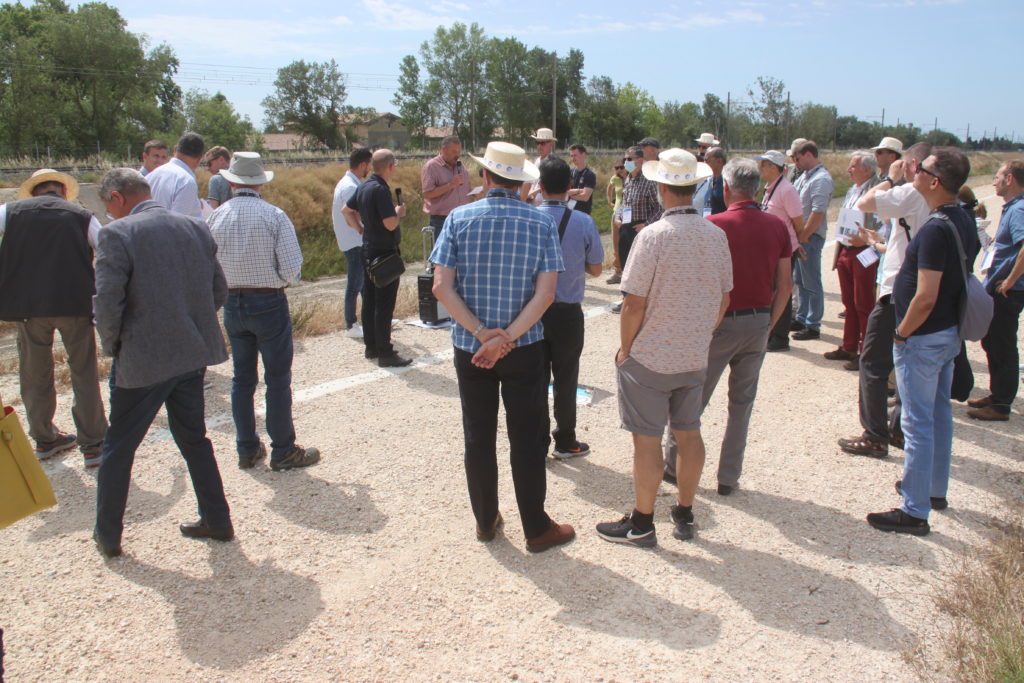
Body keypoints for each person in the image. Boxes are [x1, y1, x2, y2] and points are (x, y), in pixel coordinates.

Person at [430, 141, 574, 553]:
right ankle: (536, 527)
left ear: (485, 176)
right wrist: (506, 337)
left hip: (469, 348)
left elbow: (442, 287)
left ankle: (485, 518)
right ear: (521, 182)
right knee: (527, 437)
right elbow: (546, 295)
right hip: (524, 347)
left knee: (478, 435)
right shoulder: (540, 223)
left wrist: (482, 335)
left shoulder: (458, 218)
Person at [92, 168, 232, 557]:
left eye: (109, 206)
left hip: (142, 359)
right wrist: (190, 321)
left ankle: (108, 535)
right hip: (191, 353)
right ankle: (217, 518)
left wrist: (113, 346)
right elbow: (218, 289)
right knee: (194, 438)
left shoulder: (117, 235)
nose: (109, 214)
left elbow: (106, 304)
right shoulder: (195, 227)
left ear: (118, 197)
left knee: (119, 447)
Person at [595, 148, 731, 547]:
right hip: (693, 354)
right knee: (689, 433)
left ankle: (642, 521)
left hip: (651, 357)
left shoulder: (652, 236)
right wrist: (701, 333)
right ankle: (685, 511)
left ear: (661, 188)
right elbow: (723, 298)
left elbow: (634, 302)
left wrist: (625, 349)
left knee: (647, 440)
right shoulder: (716, 234)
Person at [661, 159, 791, 495]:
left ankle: (674, 467)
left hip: (719, 324)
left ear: (727, 188)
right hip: (759, 320)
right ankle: (728, 477)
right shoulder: (777, 226)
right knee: (741, 405)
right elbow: (786, 284)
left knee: (692, 400)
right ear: (757, 189)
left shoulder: (714, 225)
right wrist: (769, 324)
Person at [867, 148, 979, 535]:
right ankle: (932, 490)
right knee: (938, 415)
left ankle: (914, 510)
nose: (914, 170)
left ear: (934, 181)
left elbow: (926, 294)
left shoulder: (933, 229)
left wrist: (902, 332)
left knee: (916, 423)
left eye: (922, 168)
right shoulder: (960, 219)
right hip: (948, 334)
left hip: (925, 337)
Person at [208, 152, 320, 472]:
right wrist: (277, 280)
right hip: (267, 301)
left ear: (231, 181)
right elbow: (292, 269)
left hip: (232, 301)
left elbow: (208, 264)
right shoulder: (274, 215)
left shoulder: (216, 217)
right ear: (260, 182)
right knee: (277, 378)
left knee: (242, 379)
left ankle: (246, 446)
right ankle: (283, 448)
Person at [0, 169, 107, 465]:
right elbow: (108, 250)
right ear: (61, 189)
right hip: (75, 303)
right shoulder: (82, 215)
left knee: (34, 372)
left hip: (27, 308)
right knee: (83, 371)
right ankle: (93, 443)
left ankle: (45, 438)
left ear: (34, 191)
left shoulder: (9, 212)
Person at [837, 143, 932, 458]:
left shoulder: (908, 193)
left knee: (874, 362)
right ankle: (898, 429)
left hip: (897, 290)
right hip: (921, 284)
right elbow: (901, 241)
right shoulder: (939, 198)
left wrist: (891, 179)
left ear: (912, 163)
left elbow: (867, 200)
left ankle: (875, 435)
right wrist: (876, 244)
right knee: (909, 362)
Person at [536, 157, 604, 458]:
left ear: (540, 185)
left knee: (534, 378)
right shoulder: (583, 222)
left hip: (532, 311)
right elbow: (597, 269)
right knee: (566, 378)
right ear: (569, 186)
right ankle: (565, 440)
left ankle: (535, 443)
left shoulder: (528, 218)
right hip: (567, 311)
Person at [342, 149, 411, 367]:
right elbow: (390, 223)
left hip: (367, 249)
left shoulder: (363, 186)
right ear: (390, 166)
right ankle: (385, 352)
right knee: (384, 304)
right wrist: (398, 212)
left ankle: (371, 347)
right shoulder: (381, 189)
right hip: (384, 253)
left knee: (369, 300)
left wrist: (361, 229)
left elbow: (346, 210)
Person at [968, 160, 1024, 421]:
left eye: (998, 175)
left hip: (1008, 290)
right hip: (1000, 286)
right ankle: (997, 393)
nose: (994, 180)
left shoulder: (1020, 209)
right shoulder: (1012, 207)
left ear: (1010, 179)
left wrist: (1011, 280)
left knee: (1002, 343)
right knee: (992, 341)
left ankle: (1001, 404)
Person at [825, 151, 881, 369]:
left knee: (864, 303)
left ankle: (865, 352)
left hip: (864, 251)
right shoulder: (852, 190)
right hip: (847, 249)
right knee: (849, 302)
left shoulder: (877, 190)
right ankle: (849, 346)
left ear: (867, 169)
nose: (849, 170)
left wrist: (866, 240)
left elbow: (883, 224)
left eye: (853, 166)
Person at [754, 150, 806, 352]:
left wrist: (798, 242)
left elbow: (798, 220)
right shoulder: (770, 188)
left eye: (765, 165)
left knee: (782, 290)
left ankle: (780, 336)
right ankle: (773, 332)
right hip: (773, 249)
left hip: (784, 249)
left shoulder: (786, 190)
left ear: (774, 167)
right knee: (773, 291)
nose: (761, 168)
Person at [790, 140, 834, 341]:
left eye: (797, 158)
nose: (795, 163)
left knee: (811, 280)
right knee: (800, 280)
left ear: (809, 155)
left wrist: (803, 236)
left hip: (810, 236)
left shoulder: (821, 179)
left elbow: (817, 212)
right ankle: (801, 317)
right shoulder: (806, 177)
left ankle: (813, 323)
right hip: (801, 236)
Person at [332, 148, 373, 339]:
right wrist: (362, 229)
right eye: (369, 164)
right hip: (354, 241)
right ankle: (350, 324)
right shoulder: (350, 187)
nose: (370, 168)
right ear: (363, 164)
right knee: (355, 284)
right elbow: (350, 213)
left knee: (363, 283)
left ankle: (369, 318)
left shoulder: (348, 183)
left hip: (353, 240)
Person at [614, 144, 660, 313]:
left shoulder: (649, 182)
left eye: (629, 159)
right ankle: (625, 299)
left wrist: (646, 225)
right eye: (625, 159)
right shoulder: (628, 179)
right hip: (626, 227)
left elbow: (659, 208)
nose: (626, 162)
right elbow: (624, 203)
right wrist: (618, 216)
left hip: (641, 229)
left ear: (640, 160)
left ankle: (643, 301)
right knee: (626, 265)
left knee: (639, 267)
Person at [421, 135, 470, 242]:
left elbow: (464, 190)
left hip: (462, 220)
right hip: (441, 221)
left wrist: (474, 193)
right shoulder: (432, 167)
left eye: (458, 152)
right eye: (454, 151)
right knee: (441, 257)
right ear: (444, 149)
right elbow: (427, 194)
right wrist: (450, 185)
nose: (457, 155)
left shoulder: (461, 167)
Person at [146, 132, 205, 219]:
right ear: (200, 158)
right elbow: (177, 225)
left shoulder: (150, 176)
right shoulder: (186, 182)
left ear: (175, 149)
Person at [523, 127, 557, 204]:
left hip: (545, 203)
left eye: (543, 143)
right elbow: (533, 181)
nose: (539, 146)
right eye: (537, 143)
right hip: (533, 202)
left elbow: (550, 184)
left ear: (551, 143)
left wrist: (532, 193)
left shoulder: (553, 162)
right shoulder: (538, 160)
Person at [606, 159, 627, 284]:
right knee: (616, 242)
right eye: (616, 167)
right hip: (617, 211)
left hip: (630, 214)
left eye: (621, 167)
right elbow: (609, 189)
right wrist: (609, 201)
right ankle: (617, 271)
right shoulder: (615, 179)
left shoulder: (631, 179)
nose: (619, 170)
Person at [694, 147, 727, 215]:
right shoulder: (704, 180)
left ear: (719, 161)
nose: (704, 163)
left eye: (707, 160)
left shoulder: (728, 182)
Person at [566, 144, 597, 215]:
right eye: (571, 156)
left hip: (583, 213)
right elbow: (564, 192)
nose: (573, 158)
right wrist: (579, 191)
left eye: (575, 155)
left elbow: (585, 197)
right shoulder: (569, 172)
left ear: (583, 155)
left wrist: (569, 195)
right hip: (568, 213)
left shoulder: (590, 175)